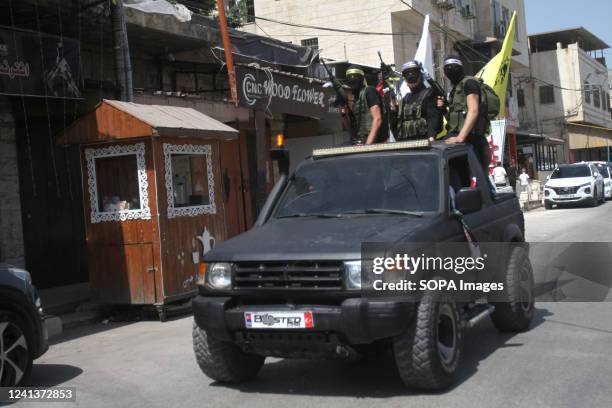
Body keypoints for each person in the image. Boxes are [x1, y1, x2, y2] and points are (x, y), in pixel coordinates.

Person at [438, 56, 491, 172]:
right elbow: (454, 120)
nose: (450, 70)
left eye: (453, 67)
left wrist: (460, 137)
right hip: (461, 139)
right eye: (447, 68)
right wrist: (443, 109)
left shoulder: (469, 83)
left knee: (479, 183)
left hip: (472, 139)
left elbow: (473, 110)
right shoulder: (456, 90)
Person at [394, 60, 443, 141]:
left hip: (424, 143)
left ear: (420, 75)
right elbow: (398, 123)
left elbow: (433, 117)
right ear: (405, 79)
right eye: (407, 74)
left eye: (413, 73)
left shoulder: (429, 94)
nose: (410, 76)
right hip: (406, 144)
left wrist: (431, 138)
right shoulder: (405, 99)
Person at [344, 66, 384, 145]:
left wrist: (367, 145)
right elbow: (350, 128)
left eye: (355, 79)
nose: (352, 81)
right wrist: (342, 111)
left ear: (362, 79)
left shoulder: (369, 91)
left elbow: (377, 119)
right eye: (350, 79)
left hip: (374, 143)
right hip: (360, 142)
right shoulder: (356, 100)